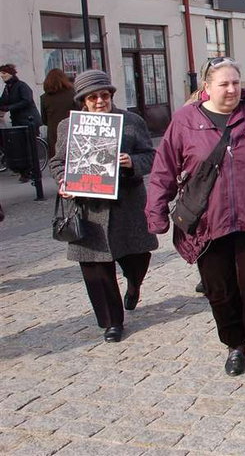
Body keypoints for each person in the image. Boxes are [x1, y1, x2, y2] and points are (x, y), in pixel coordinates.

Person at [146, 57, 245, 386]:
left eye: (236, 82)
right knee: (220, 290)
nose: (233, 89)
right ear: (207, 87)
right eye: (224, 83)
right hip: (208, 222)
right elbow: (163, 169)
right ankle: (235, 345)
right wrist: (156, 212)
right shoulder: (185, 121)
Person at [49, 70, 158, 343]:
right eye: (93, 97)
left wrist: (132, 162)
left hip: (127, 206)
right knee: (96, 269)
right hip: (88, 210)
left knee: (138, 257)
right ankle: (112, 322)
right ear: (83, 101)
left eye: (104, 95)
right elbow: (57, 162)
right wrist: (64, 181)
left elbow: (150, 156)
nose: (100, 101)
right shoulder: (68, 127)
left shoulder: (131, 122)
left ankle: (134, 284)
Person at [1, 64, 44, 181]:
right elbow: (3, 101)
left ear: (11, 74)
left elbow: (26, 100)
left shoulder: (21, 86)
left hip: (29, 120)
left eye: (4, 73)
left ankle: (34, 172)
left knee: (30, 147)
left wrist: (10, 107)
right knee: (20, 147)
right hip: (18, 121)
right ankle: (25, 172)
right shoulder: (7, 88)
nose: (2, 76)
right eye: (1, 73)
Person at [40, 68, 77, 159]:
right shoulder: (73, 94)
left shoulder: (44, 98)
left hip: (54, 133)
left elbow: (44, 120)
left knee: (57, 160)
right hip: (72, 130)